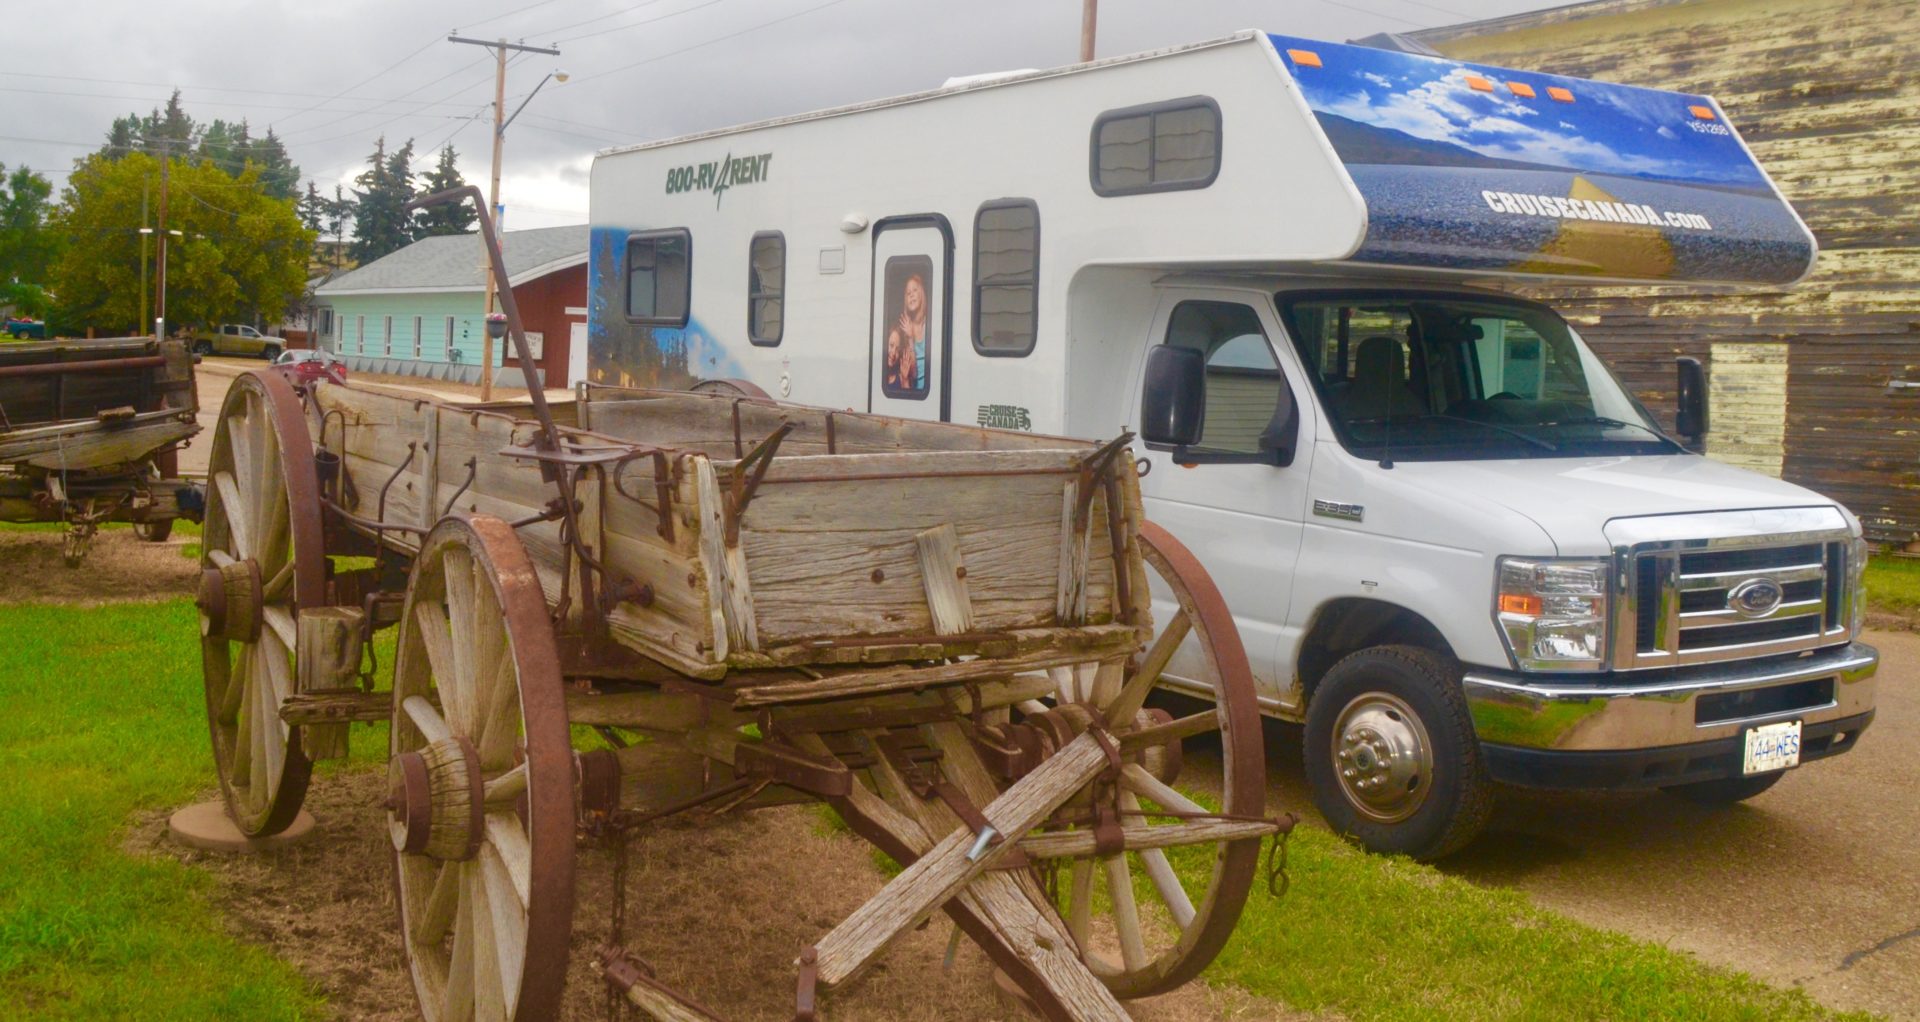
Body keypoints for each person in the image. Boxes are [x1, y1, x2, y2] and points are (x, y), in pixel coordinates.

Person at [886, 272, 928, 395]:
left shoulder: (929, 324)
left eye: (915, 290)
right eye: (908, 293)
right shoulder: (906, 329)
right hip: (919, 390)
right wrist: (910, 337)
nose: (911, 295)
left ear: (922, 294)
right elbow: (914, 374)